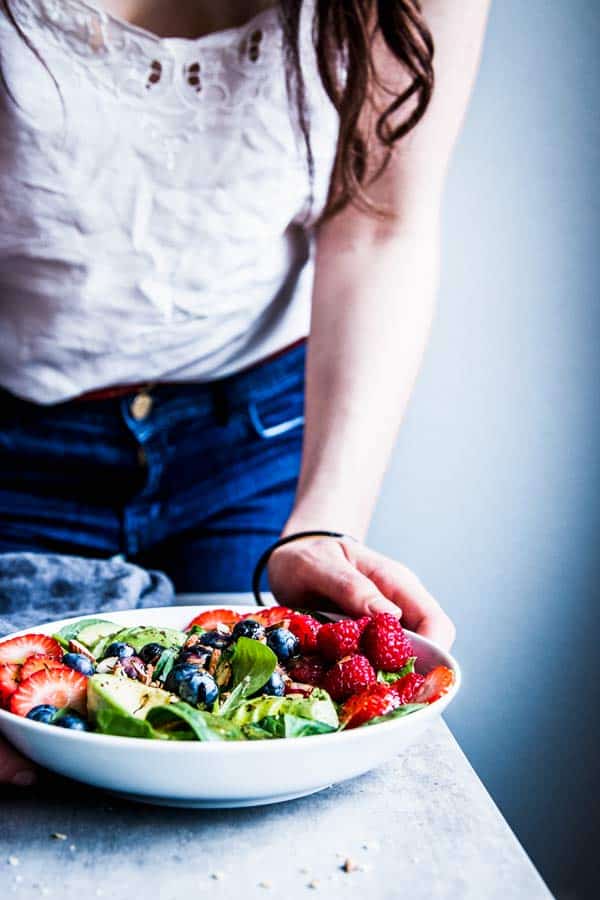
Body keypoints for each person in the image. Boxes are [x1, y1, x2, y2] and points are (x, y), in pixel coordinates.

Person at [0, 0, 490, 784]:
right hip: (17, 445)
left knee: (259, 751)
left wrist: (323, 524)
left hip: (256, 437)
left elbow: (377, 222)